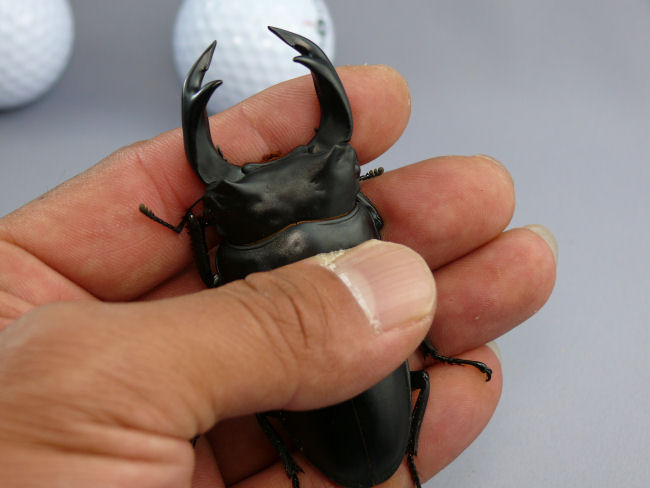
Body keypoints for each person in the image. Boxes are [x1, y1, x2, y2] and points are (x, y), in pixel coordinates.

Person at [0, 65, 556, 487]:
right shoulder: (373, 233)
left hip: (331, 442)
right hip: (362, 447)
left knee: (284, 402)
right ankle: (395, 452)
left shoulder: (223, 269)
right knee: (426, 373)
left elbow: (213, 285)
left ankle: (309, 466)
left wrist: (198, 221)